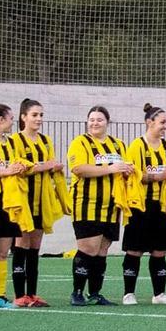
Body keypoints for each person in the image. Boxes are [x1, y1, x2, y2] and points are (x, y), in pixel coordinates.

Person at [119, 104, 166, 305]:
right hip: (140, 205)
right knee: (135, 250)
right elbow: (133, 174)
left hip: (163, 205)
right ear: (150, 122)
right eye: (162, 122)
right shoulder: (137, 146)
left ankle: (159, 294)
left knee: (160, 251)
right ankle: (129, 293)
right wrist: (159, 176)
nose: (165, 126)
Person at [66, 106, 132, 306]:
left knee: (103, 249)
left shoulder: (118, 145)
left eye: (99, 120)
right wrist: (110, 168)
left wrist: (128, 170)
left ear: (107, 123)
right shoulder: (80, 142)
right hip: (87, 203)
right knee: (88, 248)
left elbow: (125, 167)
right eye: (92, 119)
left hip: (112, 206)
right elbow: (78, 169)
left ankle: (95, 293)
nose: (95, 123)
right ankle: (77, 292)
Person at [9, 98, 67, 308]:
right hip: (22, 201)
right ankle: (19, 295)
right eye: (34, 115)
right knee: (21, 246)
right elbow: (18, 167)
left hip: (42, 202)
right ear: (23, 117)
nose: (39, 119)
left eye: (41, 115)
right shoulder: (14, 140)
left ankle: (32, 294)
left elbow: (48, 165)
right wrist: (45, 166)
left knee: (35, 249)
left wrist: (54, 167)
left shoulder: (45, 141)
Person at [0, 104, 26, 308]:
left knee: (2, 252)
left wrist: (20, 168)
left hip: (8, 201)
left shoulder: (10, 144)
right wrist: (6, 172)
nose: (12, 123)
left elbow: (13, 167)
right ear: (1, 120)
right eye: (10, 119)